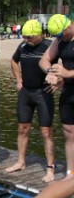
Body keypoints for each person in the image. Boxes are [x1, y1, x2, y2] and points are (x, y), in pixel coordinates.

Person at [5, 19, 56, 181]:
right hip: (26, 92)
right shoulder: (23, 46)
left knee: (46, 131)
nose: (26, 39)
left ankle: (50, 169)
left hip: (43, 92)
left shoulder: (50, 46)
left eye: (29, 37)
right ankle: (21, 162)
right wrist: (18, 79)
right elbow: (14, 61)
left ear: (39, 34)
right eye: (24, 36)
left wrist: (59, 81)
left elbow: (66, 64)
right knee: (22, 128)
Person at [39, 14, 74, 180]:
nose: (59, 38)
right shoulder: (60, 41)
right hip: (69, 92)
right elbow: (44, 60)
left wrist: (67, 73)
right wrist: (51, 72)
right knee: (68, 132)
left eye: (60, 34)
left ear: (69, 26)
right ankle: (70, 173)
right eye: (56, 36)